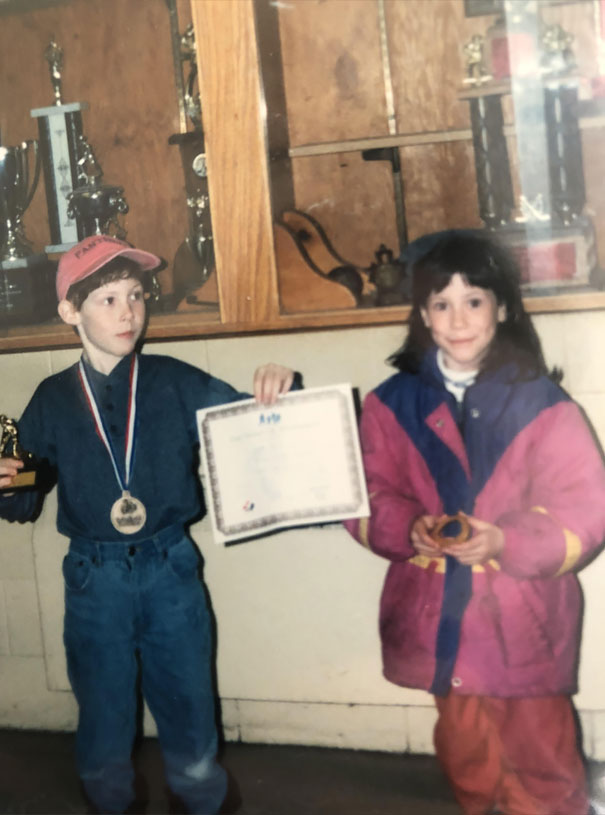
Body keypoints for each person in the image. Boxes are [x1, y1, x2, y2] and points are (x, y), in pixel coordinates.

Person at [0, 234, 298, 815]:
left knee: (188, 698)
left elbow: (256, 428)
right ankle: (109, 799)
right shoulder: (53, 399)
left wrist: (276, 388)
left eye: (135, 295)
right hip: (94, 578)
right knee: (104, 707)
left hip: (171, 569)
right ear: (69, 312)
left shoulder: (176, 381)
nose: (128, 311)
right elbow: (23, 500)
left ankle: (200, 796)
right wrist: (5, 481)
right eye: (107, 299)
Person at [344, 230, 605, 815]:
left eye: (474, 301)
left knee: (541, 755)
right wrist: (406, 526)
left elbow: (586, 507)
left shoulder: (545, 404)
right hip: (442, 619)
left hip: (524, 617)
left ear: (503, 308)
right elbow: (365, 493)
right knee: (465, 752)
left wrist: (508, 540)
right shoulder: (391, 404)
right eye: (441, 304)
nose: (458, 319)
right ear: (422, 315)